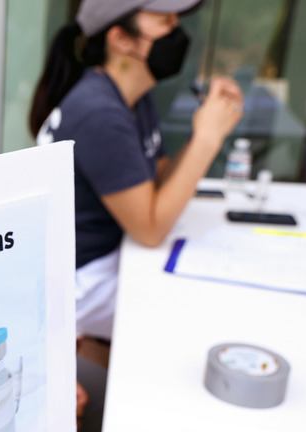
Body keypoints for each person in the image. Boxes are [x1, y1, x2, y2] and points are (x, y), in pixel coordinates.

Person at [30, 0, 243, 341]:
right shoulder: (98, 112)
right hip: (80, 279)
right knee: (205, 316)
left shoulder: (131, 96)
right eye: (165, 21)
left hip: (114, 253)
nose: (178, 32)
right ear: (121, 39)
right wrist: (207, 138)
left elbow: (159, 181)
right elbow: (150, 228)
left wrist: (206, 127)